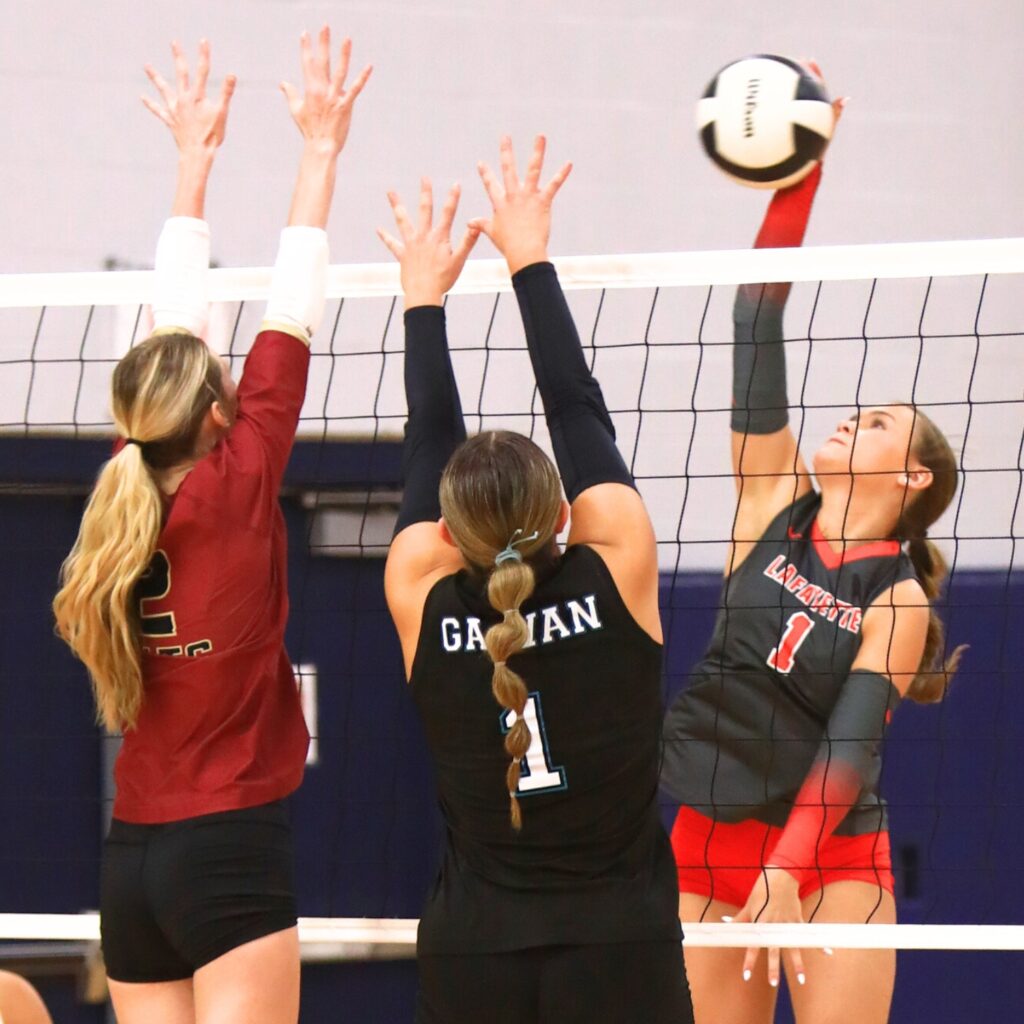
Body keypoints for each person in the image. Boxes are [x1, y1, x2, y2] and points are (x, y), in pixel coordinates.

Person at [52, 31, 370, 1024]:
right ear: (221, 413)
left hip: (133, 857)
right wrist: (320, 148)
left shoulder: (124, 482)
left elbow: (173, 333)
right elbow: (291, 306)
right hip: (229, 850)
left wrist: (191, 162)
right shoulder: (241, 476)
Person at [660, 83, 965, 1024]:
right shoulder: (770, 501)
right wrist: (801, 173)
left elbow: (849, 744)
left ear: (911, 477)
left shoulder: (899, 599)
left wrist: (789, 871)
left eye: (876, 423)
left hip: (829, 855)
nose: (849, 419)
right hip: (707, 836)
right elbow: (755, 320)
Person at [378, 136, 693, 1024]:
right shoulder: (616, 561)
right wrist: (529, 257)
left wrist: (421, 298)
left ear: (448, 537)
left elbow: (426, 443)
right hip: (619, 946)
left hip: (472, 951)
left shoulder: (420, 593)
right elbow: (576, 407)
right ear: (564, 513)